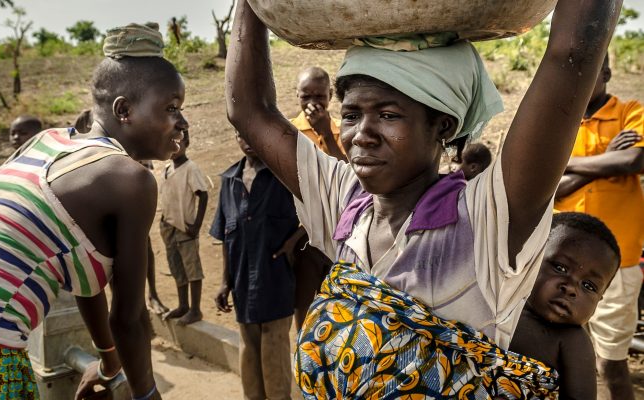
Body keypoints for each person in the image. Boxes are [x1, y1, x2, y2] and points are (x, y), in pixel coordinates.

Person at [225, 0, 621, 397]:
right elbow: (248, 108)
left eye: (388, 115)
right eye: (350, 115)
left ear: (442, 126)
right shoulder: (343, 200)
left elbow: (572, 54)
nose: (362, 133)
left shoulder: (485, 222)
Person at [0, 23, 187, 400]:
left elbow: (83, 277)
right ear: (124, 110)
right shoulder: (131, 179)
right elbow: (129, 318)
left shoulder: (49, 142)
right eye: (171, 108)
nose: (182, 122)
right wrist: (147, 395)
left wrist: (109, 365)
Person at [554, 54, 644, 400]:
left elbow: (634, 159)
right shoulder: (560, 120)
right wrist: (607, 159)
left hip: (617, 265)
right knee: (567, 357)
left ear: (605, 72)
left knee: (611, 365)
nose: (578, 80)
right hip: (559, 263)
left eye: (589, 71)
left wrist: (568, 163)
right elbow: (550, 186)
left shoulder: (630, 110)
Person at [212, 133, 300, 400]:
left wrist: (293, 241)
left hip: (275, 280)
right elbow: (227, 236)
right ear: (235, 137)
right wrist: (225, 282)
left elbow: (316, 214)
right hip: (242, 286)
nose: (248, 140)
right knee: (249, 360)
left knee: (275, 361)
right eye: (241, 135)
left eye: (253, 134)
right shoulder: (229, 181)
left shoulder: (283, 176)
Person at [510, 212, 621, 399]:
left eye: (589, 286)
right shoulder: (501, 306)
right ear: (531, 258)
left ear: (600, 299)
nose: (571, 288)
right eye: (560, 268)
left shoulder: (573, 342)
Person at [74, 108, 170, 316]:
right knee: (110, 255)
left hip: (128, 201)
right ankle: (127, 309)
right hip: (103, 203)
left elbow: (144, 169)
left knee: (143, 247)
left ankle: (151, 296)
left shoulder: (128, 125)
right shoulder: (89, 117)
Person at [287, 66, 344, 330]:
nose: (312, 103)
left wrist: (325, 132)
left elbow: (347, 176)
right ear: (296, 96)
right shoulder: (289, 133)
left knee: (338, 303)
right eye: (305, 97)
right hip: (304, 234)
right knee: (305, 301)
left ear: (331, 95)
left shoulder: (343, 132)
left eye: (319, 96)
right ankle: (303, 354)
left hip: (339, 232)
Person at [159, 130, 208, 325]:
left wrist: (196, 225)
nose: (173, 147)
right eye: (169, 142)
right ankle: (183, 305)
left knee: (192, 267)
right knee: (176, 266)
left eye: (178, 142)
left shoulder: (191, 168)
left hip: (185, 228)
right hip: (168, 226)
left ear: (187, 142)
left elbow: (202, 195)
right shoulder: (166, 168)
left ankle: (196, 309)